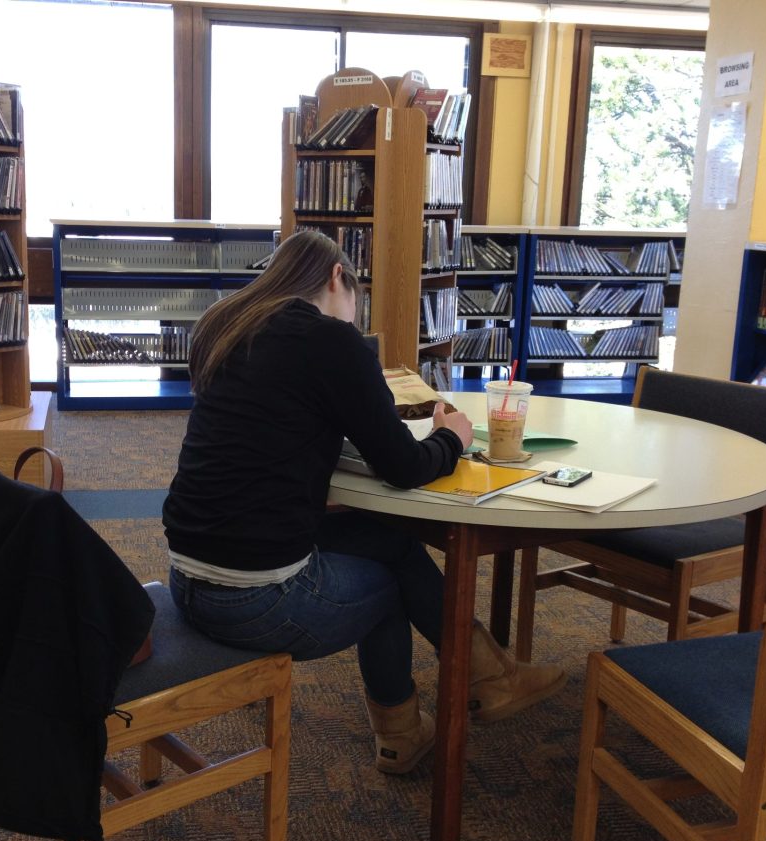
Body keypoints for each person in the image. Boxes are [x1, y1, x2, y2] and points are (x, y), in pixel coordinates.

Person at [163, 230, 565, 775]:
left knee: (390, 542)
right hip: (256, 600)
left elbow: (272, 426)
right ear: (338, 278)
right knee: (389, 582)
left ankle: (486, 679)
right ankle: (412, 727)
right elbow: (404, 468)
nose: (355, 316)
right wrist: (451, 437)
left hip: (188, 577)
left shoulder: (228, 324)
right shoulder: (329, 339)